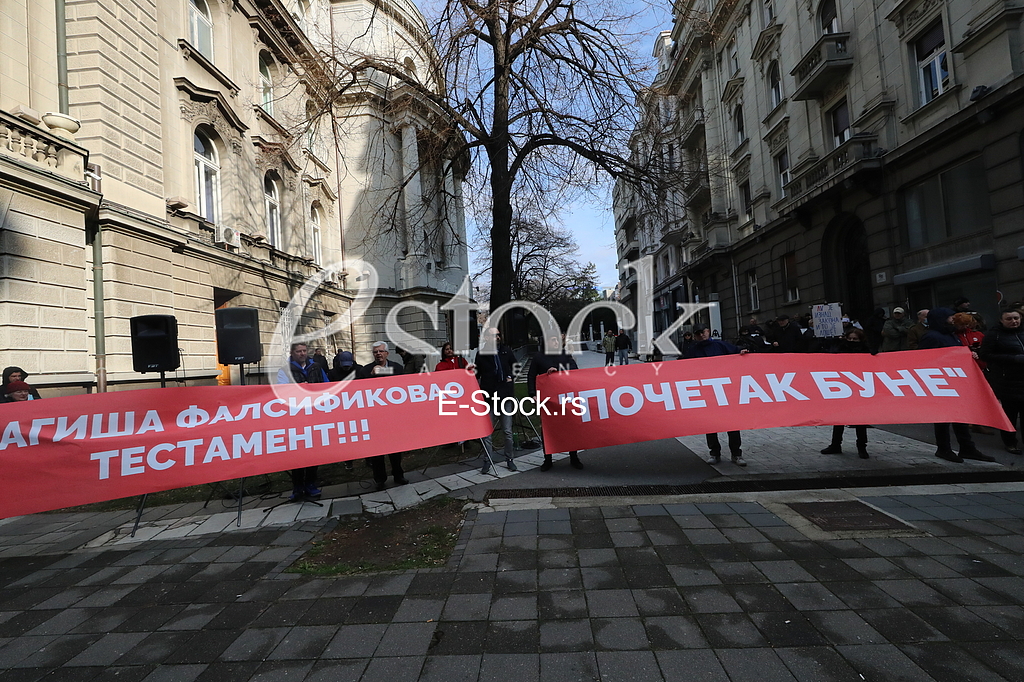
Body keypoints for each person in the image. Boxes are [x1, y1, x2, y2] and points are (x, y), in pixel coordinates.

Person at [918, 308, 995, 463]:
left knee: (960, 415)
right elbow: (924, 360)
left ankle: (967, 447)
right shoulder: (932, 337)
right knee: (943, 417)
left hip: (954, 380)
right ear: (941, 319)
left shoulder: (951, 335)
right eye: (950, 318)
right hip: (941, 381)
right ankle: (944, 448)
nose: (953, 320)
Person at [684, 323, 749, 466]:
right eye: (698, 333)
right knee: (710, 424)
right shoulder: (693, 350)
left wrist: (742, 353)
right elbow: (683, 366)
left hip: (725, 391)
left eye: (703, 332)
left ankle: (736, 454)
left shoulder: (721, 345)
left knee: (731, 423)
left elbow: (736, 352)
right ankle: (714, 452)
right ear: (695, 336)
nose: (701, 335)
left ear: (708, 331)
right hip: (706, 392)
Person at [276, 343, 329, 500]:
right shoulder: (284, 370)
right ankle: (298, 487)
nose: (302, 354)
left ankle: (311, 484)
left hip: (314, 415)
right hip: (295, 417)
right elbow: (281, 391)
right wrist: (300, 389)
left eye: (304, 351)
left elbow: (327, 386)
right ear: (292, 353)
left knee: (314, 451)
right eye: (298, 351)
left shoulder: (316, 367)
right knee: (297, 453)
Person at [528, 335, 583, 471]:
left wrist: (558, 372)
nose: (556, 341)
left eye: (558, 339)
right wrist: (533, 394)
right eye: (553, 339)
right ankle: (548, 459)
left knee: (570, 426)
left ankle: (574, 456)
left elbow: (574, 370)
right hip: (547, 400)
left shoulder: (564, 355)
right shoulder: (539, 357)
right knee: (548, 428)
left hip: (565, 397)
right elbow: (531, 376)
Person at [359, 342, 408, 489]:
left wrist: (382, 372)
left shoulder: (397, 368)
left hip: (393, 416)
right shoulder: (365, 371)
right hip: (375, 417)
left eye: (381, 351)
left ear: (387, 353)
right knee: (377, 451)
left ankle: (398, 475)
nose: (378, 354)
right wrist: (371, 375)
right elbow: (360, 390)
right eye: (375, 352)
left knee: (395, 448)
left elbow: (403, 385)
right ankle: (380, 479)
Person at [820, 328, 871, 458]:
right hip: (842, 388)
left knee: (860, 419)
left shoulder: (867, 352)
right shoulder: (839, 351)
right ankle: (836, 444)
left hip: (860, 388)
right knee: (839, 418)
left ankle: (862, 447)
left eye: (855, 339)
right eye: (850, 339)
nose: (852, 341)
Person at [474, 327, 518, 473]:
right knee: (487, 432)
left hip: (505, 396)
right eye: (494, 335)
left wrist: (511, 377)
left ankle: (509, 458)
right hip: (489, 397)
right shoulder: (481, 354)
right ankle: (487, 460)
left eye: (499, 335)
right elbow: (477, 375)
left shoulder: (506, 351)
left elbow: (515, 366)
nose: (498, 337)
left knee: (507, 431)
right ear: (486, 338)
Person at [981, 309, 1024, 455]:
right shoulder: (995, 335)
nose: (1014, 321)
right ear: (1001, 320)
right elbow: (985, 354)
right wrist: (1013, 358)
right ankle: (1010, 443)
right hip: (1007, 381)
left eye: (1016, 318)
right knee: (1010, 414)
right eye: (1009, 319)